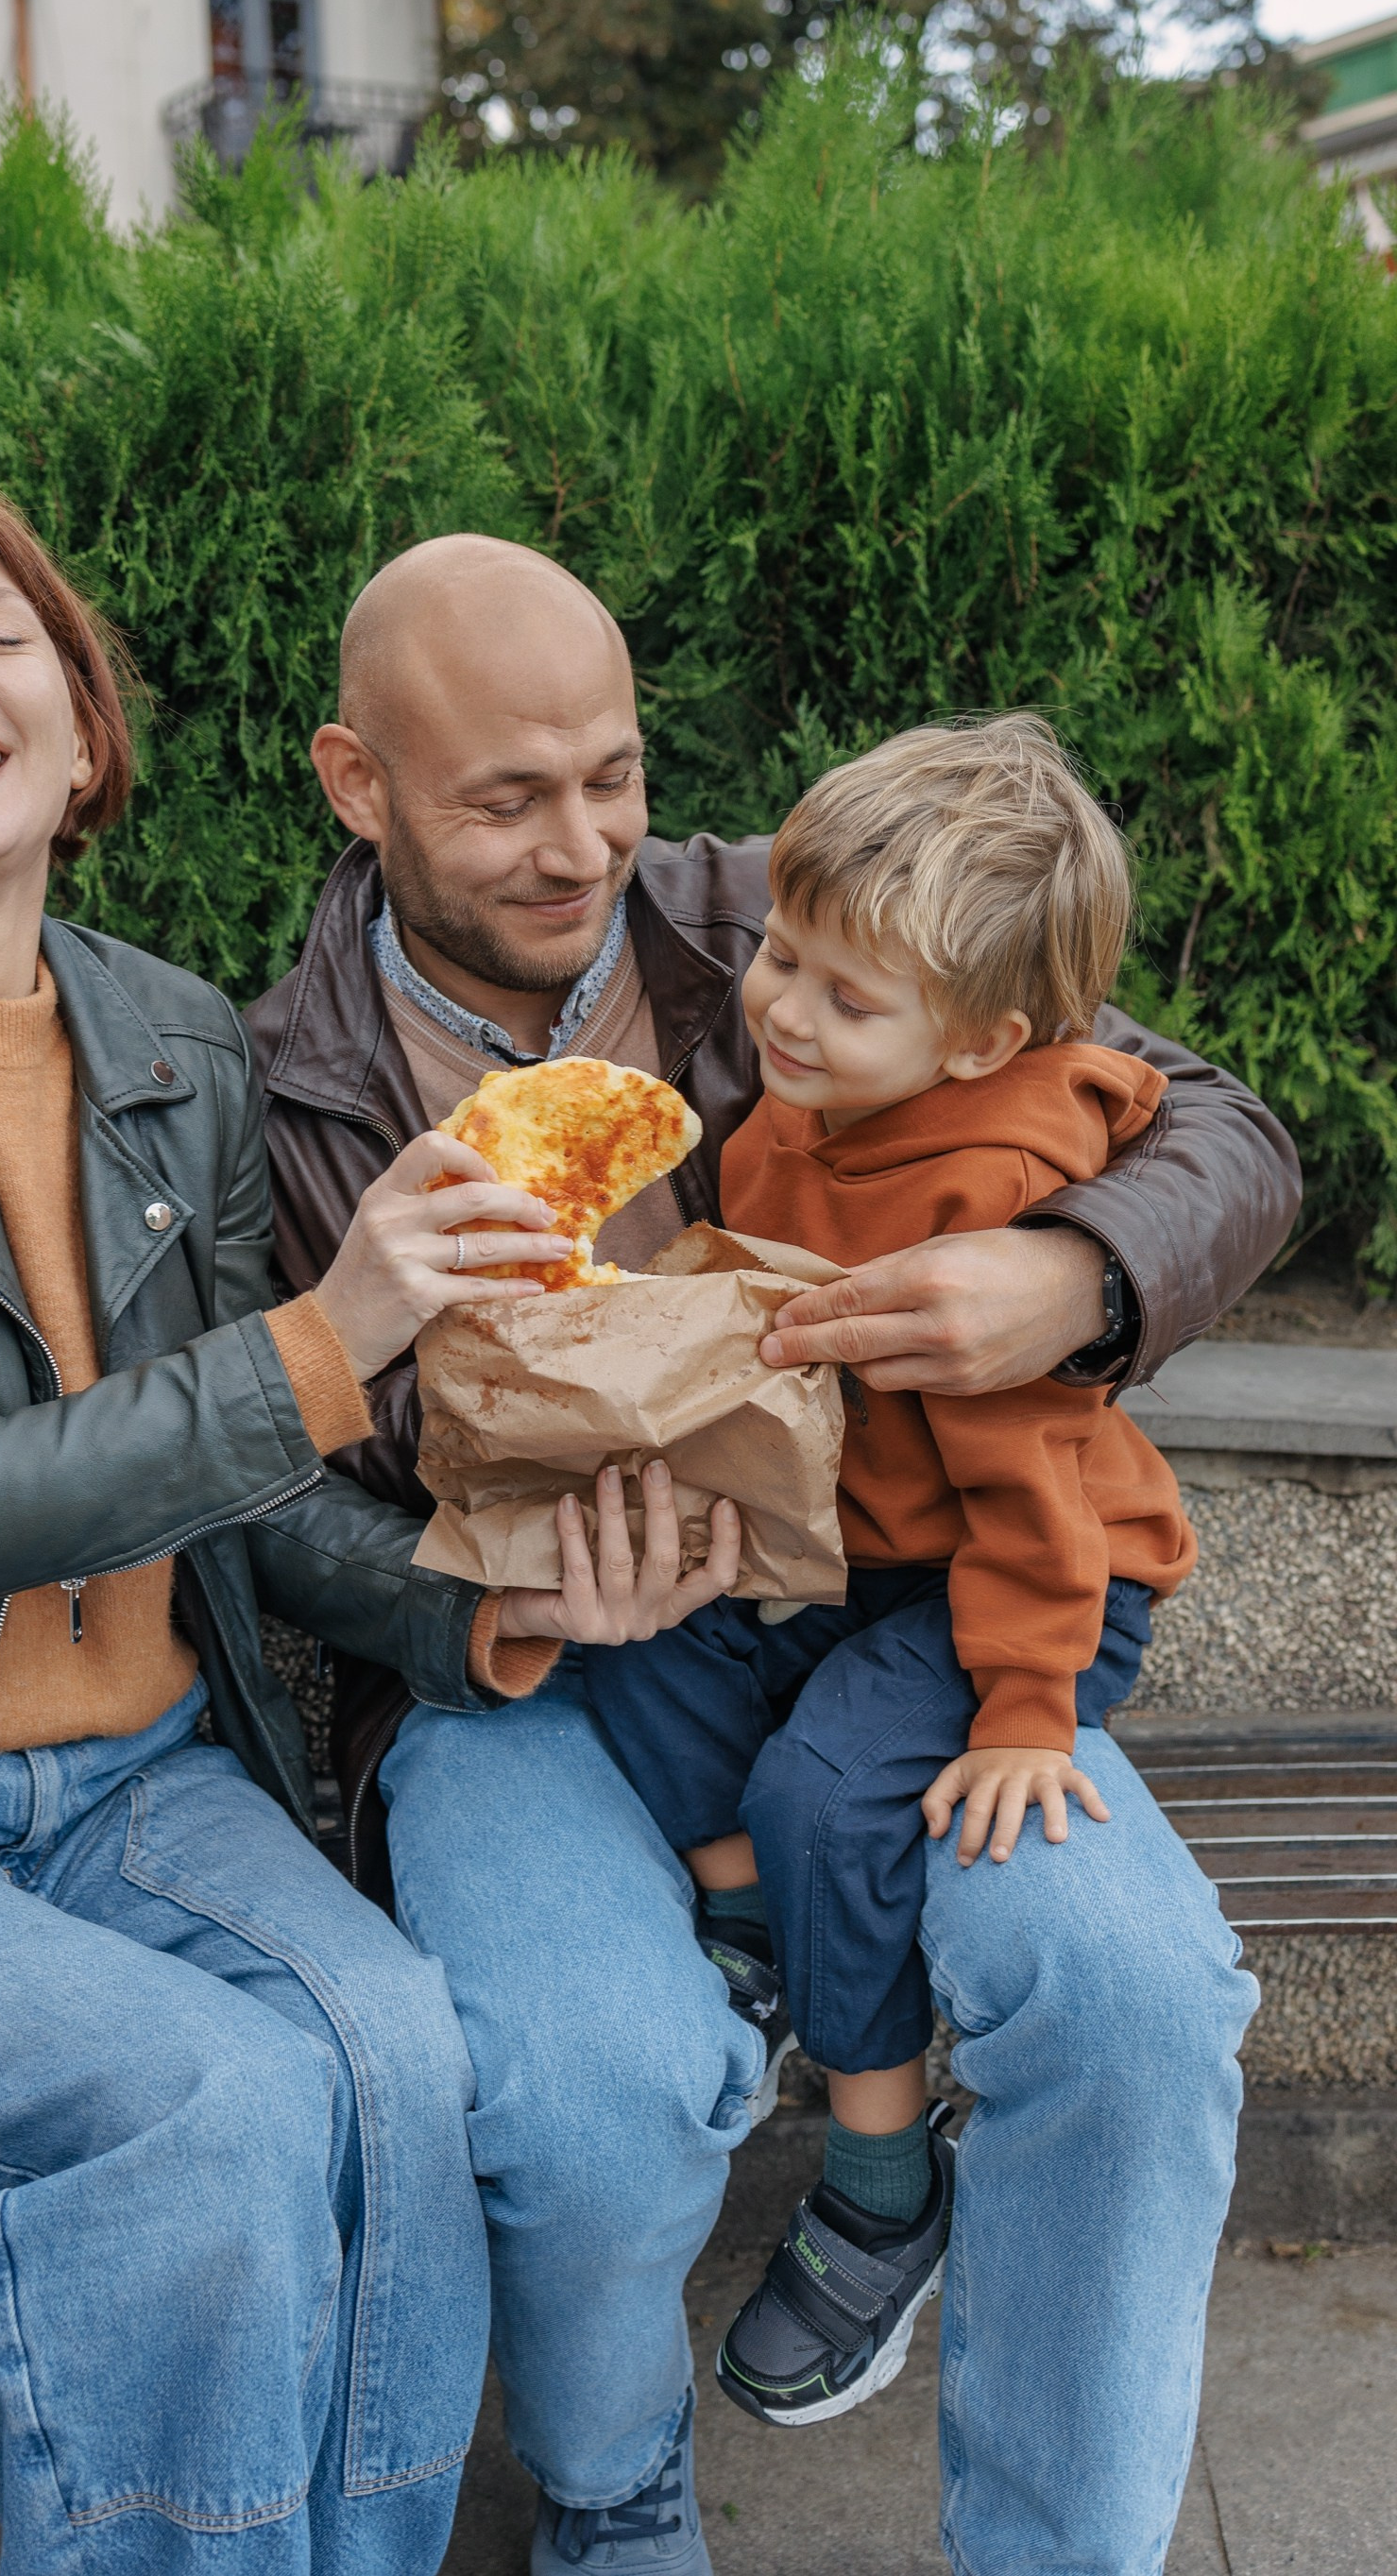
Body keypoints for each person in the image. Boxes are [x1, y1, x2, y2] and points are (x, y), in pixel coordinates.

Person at [0, 460, 739, 2576]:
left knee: (394, 2055)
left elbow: (242, 1502)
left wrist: (495, 1608)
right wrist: (337, 1327)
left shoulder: (171, 1043)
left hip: (140, 1790)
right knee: (214, 2109)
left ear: (77, 715)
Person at [247, 534, 1300, 2576]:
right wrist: (488, 1606)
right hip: (538, 1673)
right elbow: (255, 1486)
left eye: (614, 777)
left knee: (1133, 1998)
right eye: (506, 799)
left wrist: (1071, 1274)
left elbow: (1216, 1126)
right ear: (358, 786)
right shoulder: (265, 1080)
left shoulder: (780, 916)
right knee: (594, 2085)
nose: (584, 848)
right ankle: (615, 2496)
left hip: (912, 1608)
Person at [585, 718, 1243, 2440]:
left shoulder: (984, 1196)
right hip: (858, 1558)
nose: (785, 1011)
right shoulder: (808, 1104)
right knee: (632, 1639)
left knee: (824, 1793)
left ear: (982, 1042)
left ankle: (882, 2185)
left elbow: (1040, 1496)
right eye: (783, 957)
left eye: (845, 995)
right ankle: (749, 1919)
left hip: (1022, 1592)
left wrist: (1027, 1710)